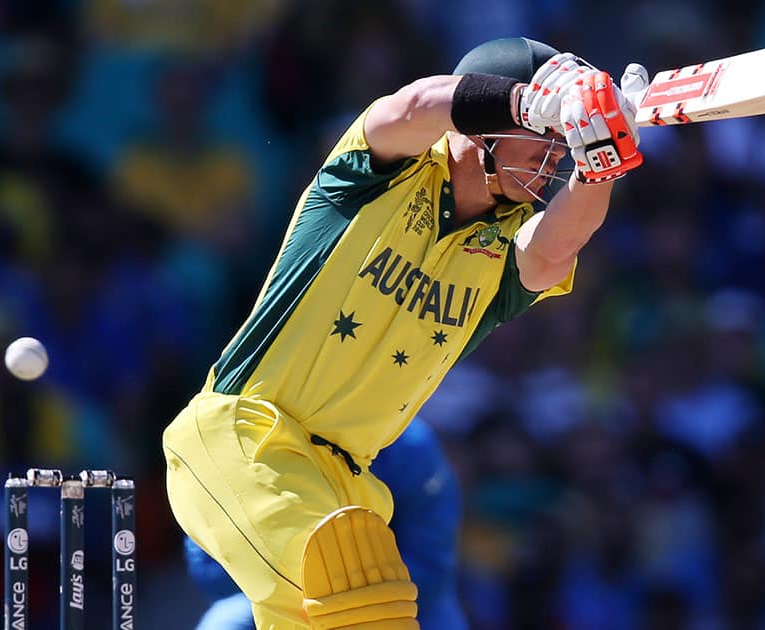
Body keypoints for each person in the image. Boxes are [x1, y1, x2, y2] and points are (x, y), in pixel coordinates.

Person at [163, 35, 648, 629]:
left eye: (560, 146)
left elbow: (557, 248)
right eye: (544, 142)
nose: (554, 161)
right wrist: (529, 102)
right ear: (481, 131)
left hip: (347, 478)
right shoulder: (378, 174)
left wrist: (603, 162)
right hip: (244, 436)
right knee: (362, 598)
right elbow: (413, 106)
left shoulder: (505, 244)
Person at [183, 417, 467, 629]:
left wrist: (340, 598)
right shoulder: (237, 436)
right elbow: (209, 572)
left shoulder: (409, 444)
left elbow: (431, 567)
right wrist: (302, 594)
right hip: (275, 600)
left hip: (391, 602)